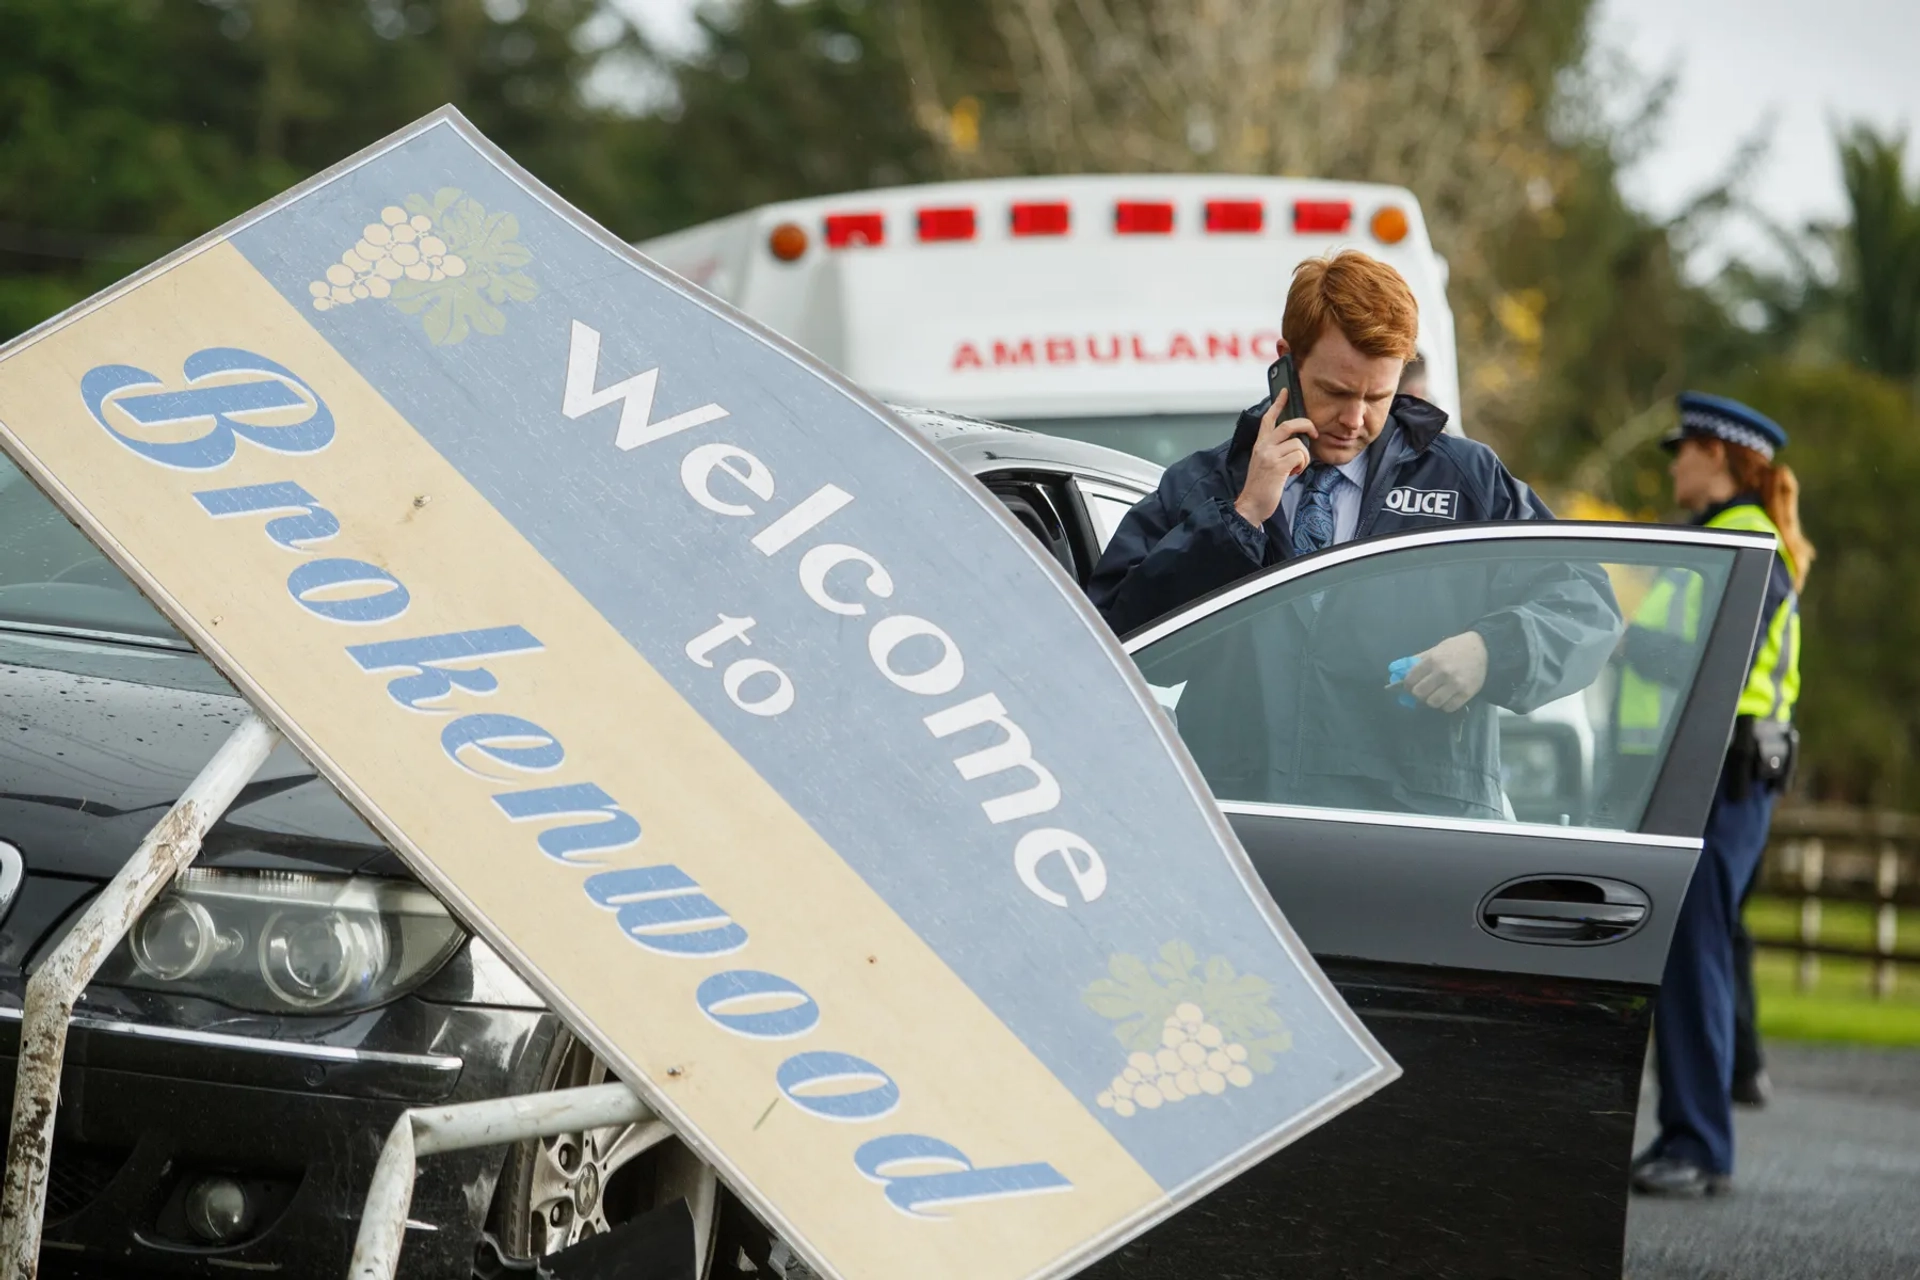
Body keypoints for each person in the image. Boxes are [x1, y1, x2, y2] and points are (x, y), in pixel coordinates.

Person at [1087, 250, 1620, 818]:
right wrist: (1240, 518)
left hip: (1417, 844)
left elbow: (1588, 604)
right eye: (1337, 392)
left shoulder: (1467, 482)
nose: (1355, 418)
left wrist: (1494, 650)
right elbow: (1116, 643)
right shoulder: (1205, 485)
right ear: (1285, 362)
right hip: (1241, 835)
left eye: (1377, 397)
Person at [1628, 392, 1810, 1197]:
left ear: (1720, 456)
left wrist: (1624, 636)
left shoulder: (1746, 545)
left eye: (1683, 449)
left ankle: (1699, 1145)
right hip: (1706, 772)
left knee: (1696, 956)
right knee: (1690, 953)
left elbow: (1712, 662)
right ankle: (1688, 1134)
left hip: (1724, 774)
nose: (1674, 464)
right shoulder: (1718, 542)